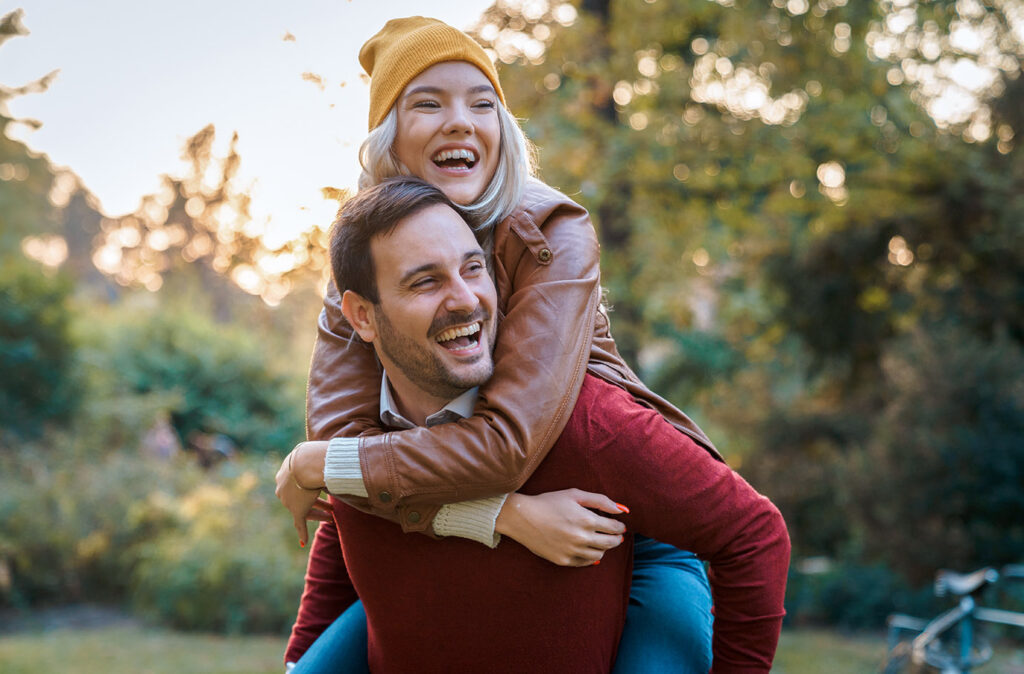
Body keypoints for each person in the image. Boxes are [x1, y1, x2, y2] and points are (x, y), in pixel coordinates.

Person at [273, 15, 755, 672]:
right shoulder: (361, 270)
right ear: (389, 140)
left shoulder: (549, 233)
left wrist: (314, 463)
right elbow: (352, 460)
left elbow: (499, 446)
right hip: (457, 514)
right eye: (428, 103)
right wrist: (504, 517)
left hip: (628, 529)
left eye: (481, 102)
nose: (460, 121)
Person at [284, 177, 789, 672]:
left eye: (473, 268)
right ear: (362, 316)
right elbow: (348, 536)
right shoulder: (354, 441)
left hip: (650, 556)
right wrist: (505, 515)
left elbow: (754, 535)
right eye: (426, 281)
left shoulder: (590, 424)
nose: (464, 299)